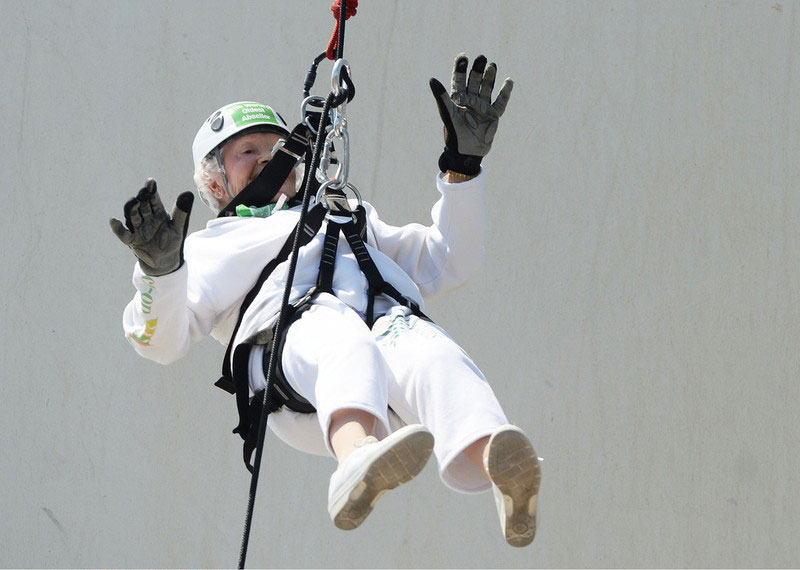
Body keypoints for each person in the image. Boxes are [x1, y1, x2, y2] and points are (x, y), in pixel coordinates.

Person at [110, 53, 541, 547]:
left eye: (277, 147)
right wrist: (160, 274)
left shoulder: (345, 212)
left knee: (433, 351)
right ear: (213, 183)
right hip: (294, 375)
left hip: (386, 360)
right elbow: (158, 341)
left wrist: (462, 170)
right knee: (336, 331)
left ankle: (501, 466)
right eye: (247, 151)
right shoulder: (214, 244)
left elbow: (447, 262)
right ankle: (355, 460)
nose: (268, 158)